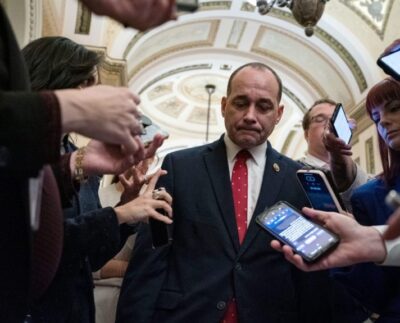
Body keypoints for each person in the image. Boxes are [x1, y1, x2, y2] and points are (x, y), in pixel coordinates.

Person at [116, 62, 368, 323]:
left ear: (279, 113)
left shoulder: (298, 180)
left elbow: (310, 280)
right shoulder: (179, 168)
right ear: (224, 105)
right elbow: (150, 262)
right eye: (240, 103)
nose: (250, 115)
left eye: (263, 106)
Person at [0, 1, 176, 321]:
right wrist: (118, 214)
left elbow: (89, 259)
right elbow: (33, 246)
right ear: (54, 79)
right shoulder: (11, 142)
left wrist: (127, 207)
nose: (93, 95)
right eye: (85, 84)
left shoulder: (80, 160)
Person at [300, 99, 369, 209]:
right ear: (306, 134)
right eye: (320, 119)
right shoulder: (293, 172)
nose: (329, 125)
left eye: (334, 120)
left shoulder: (365, 178)